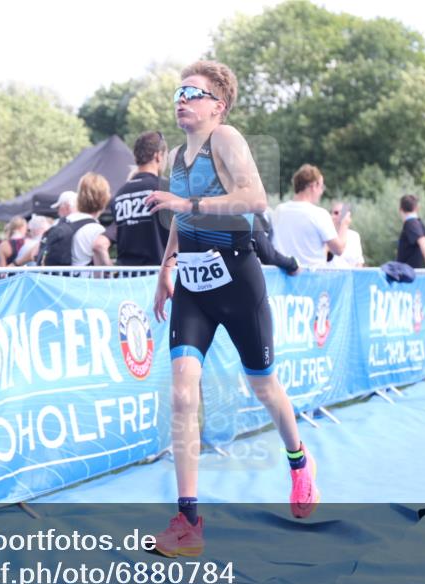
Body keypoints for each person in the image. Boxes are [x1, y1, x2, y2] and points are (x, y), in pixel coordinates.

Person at [146, 60, 318, 558]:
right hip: (194, 287)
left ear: (217, 106)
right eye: (178, 91)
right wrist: (166, 267)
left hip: (237, 278)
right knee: (181, 395)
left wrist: (191, 207)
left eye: (192, 93)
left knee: (264, 387)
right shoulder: (177, 155)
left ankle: (298, 460)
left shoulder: (227, 139)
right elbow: (178, 214)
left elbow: (255, 198)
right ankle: (188, 521)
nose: (181, 98)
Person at [108, 131, 171, 266]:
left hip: (128, 278)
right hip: (159, 276)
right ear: (158, 156)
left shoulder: (119, 195)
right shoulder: (167, 189)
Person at [271, 164, 347, 269]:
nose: (321, 192)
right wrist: (344, 224)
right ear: (314, 185)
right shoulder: (319, 214)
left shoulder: (278, 210)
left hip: (283, 277)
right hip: (310, 280)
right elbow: (339, 250)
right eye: (321, 187)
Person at [396, 195, 425, 271]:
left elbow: (423, 241)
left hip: (409, 275)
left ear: (400, 210)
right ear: (417, 208)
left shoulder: (411, 223)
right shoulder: (417, 223)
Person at [327, 202, 364, 268]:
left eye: (342, 213)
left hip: (349, 276)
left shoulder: (354, 236)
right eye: (336, 213)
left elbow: (359, 262)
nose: (339, 215)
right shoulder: (326, 234)